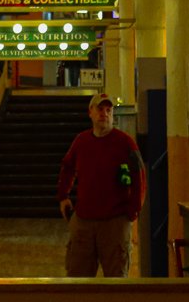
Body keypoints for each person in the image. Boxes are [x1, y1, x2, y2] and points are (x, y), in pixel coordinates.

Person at [57, 92, 146, 278]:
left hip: (114, 222)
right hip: (84, 222)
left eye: (108, 110)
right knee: (77, 277)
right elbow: (67, 166)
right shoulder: (81, 141)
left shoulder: (125, 143)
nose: (104, 114)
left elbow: (139, 175)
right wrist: (63, 196)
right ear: (90, 112)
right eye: (100, 109)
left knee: (115, 279)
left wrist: (133, 210)